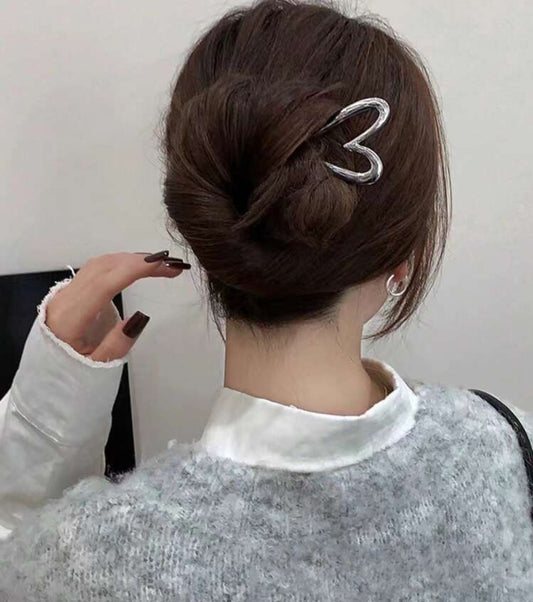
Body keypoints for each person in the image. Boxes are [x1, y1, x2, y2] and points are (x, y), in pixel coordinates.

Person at [1, 0, 532, 599]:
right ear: (401, 259)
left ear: (206, 230)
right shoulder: (503, 445)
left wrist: (46, 425)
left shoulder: (91, 563)